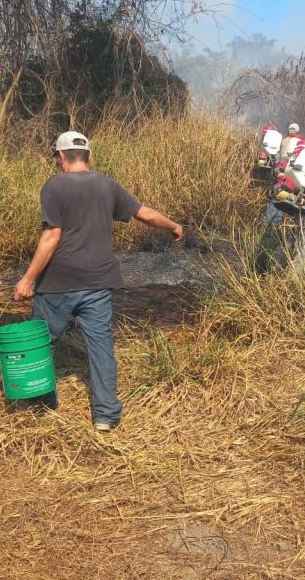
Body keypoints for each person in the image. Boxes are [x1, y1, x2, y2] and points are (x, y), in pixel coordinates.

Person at [13, 131, 183, 433]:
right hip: (98, 283)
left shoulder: (53, 186)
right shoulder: (107, 184)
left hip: (58, 283)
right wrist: (173, 226)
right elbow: (144, 213)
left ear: (61, 157)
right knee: (101, 347)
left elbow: (52, 236)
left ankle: (40, 400)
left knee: (42, 343)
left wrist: (28, 279)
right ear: (89, 156)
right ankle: (105, 415)